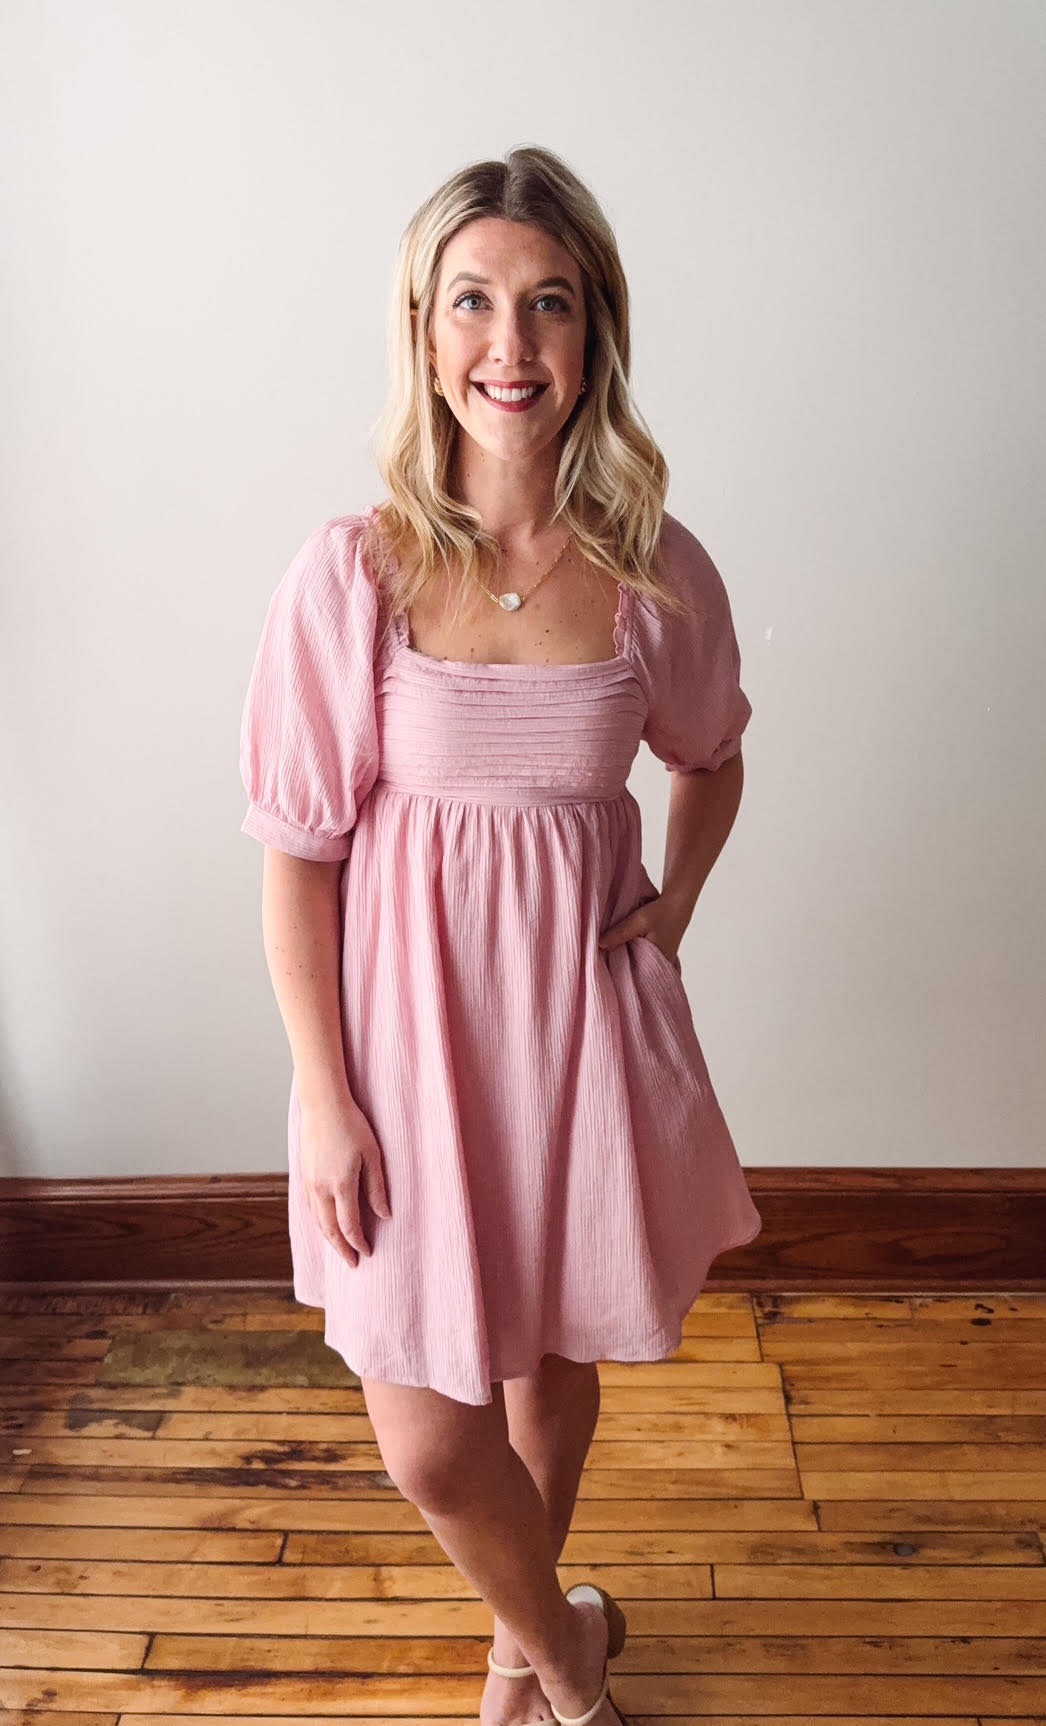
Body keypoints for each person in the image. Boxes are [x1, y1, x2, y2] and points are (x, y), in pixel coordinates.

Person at [239, 145, 762, 1726]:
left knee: (545, 1349)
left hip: (576, 1033)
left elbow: (713, 752)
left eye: (546, 304)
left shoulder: (652, 571)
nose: (507, 346)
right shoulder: (358, 572)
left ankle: (524, 1627)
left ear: (594, 330)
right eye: (471, 301)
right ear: (421, 327)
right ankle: (566, 1658)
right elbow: (296, 855)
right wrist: (324, 1095)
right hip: (399, 1051)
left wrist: (667, 913)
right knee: (426, 1438)